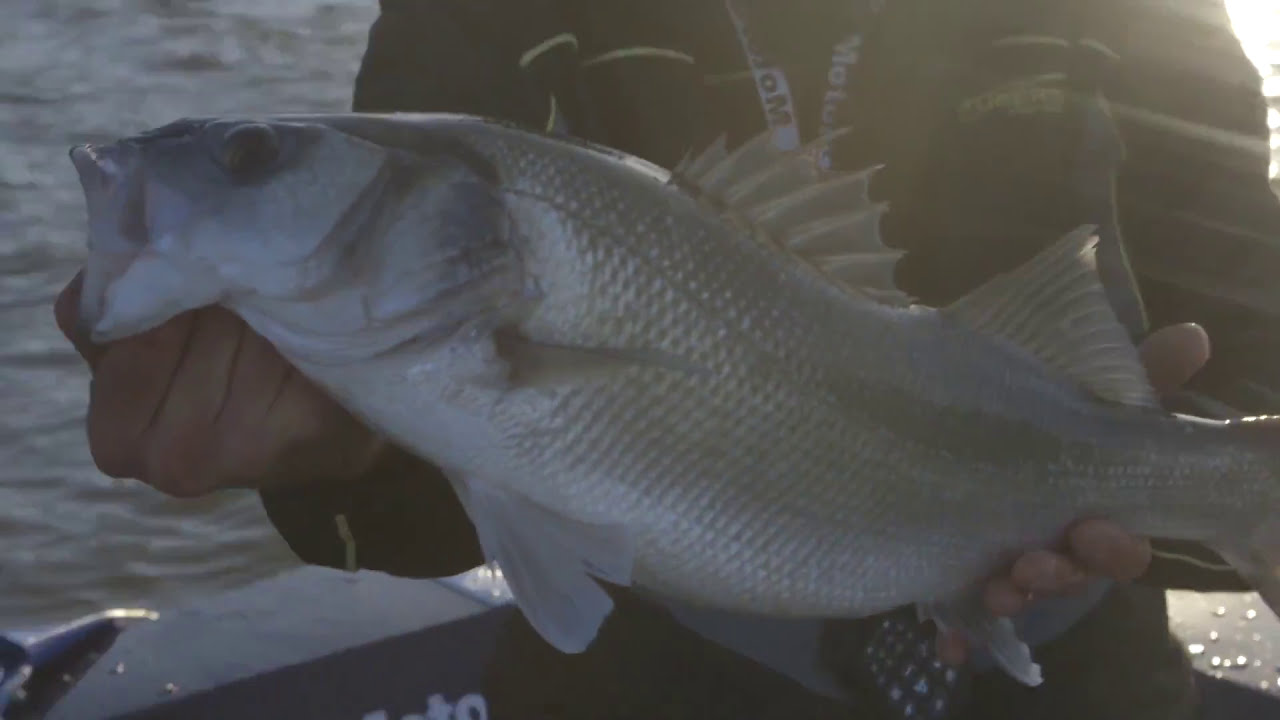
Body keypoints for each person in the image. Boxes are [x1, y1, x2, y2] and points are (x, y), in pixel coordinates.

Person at [52, 0, 1280, 718]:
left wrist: (1155, 496)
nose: (229, 165)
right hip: (647, 688)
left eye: (257, 153)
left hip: (1078, 682)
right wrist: (332, 452)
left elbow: (1245, 343)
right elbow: (432, 512)